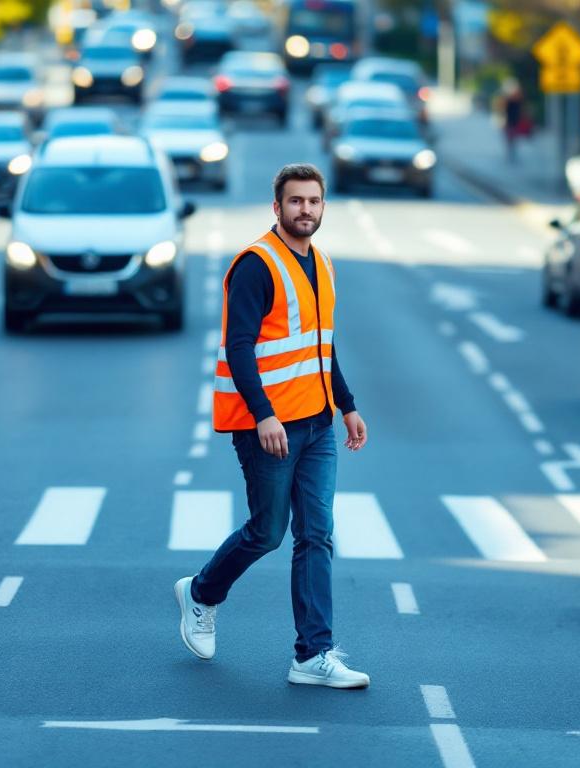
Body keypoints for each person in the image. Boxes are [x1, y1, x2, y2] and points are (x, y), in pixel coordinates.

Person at [174, 163, 371, 689]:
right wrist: (263, 414)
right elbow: (239, 347)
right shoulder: (256, 265)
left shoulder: (323, 264)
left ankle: (313, 654)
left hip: (317, 424)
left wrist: (346, 404)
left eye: (314, 201)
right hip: (268, 427)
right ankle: (201, 593)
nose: (305, 210)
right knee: (267, 532)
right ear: (277, 207)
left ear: (323, 206)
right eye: (296, 201)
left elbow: (320, 346)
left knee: (316, 535)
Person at [502, 80, 525, 164]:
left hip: (514, 123)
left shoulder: (517, 101)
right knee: (510, 141)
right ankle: (510, 157)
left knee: (513, 141)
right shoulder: (509, 101)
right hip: (510, 123)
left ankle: (512, 157)